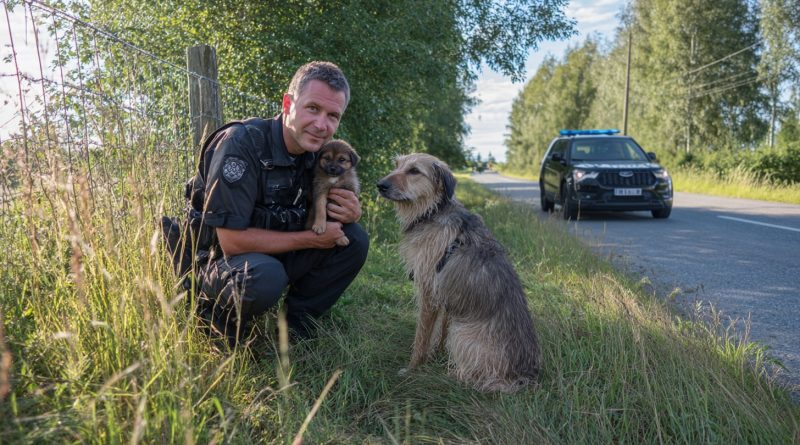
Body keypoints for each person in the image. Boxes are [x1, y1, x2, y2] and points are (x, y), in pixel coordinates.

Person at [195, 61, 369, 346]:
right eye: (312, 108)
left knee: (354, 239)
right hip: (222, 262)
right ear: (288, 103)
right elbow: (231, 243)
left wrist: (351, 211)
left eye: (333, 115)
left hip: (277, 253)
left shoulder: (319, 155)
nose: (321, 124)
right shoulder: (242, 145)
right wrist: (312, 240)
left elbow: (331, 202)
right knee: (264, 276)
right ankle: (215, 322)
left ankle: (292, 333)